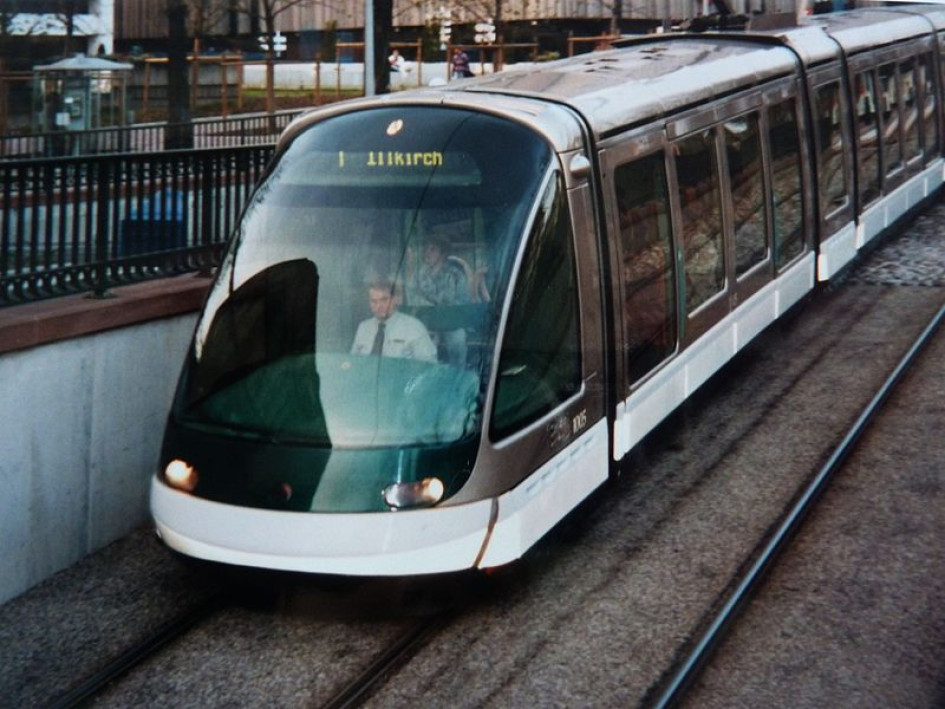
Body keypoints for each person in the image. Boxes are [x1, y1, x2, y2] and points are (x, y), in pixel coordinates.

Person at [351, 280, 437, 362]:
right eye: (374, 301)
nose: (379, 306)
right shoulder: (364, 328)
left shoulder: (413, 327)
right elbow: (354, 363)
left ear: (395, 300)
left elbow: (429, 366)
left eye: (384, 300)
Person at [417, 235, 470, 367]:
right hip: (428, 322)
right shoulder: (420, 274)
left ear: (442, 253)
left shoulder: (455, 274)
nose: (427, 253)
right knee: (423, 349)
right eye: (426, 249)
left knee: (458, 341)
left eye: (432, 250)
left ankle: (457, 377)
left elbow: (463, 300)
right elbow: (416, 298)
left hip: (451, 321)